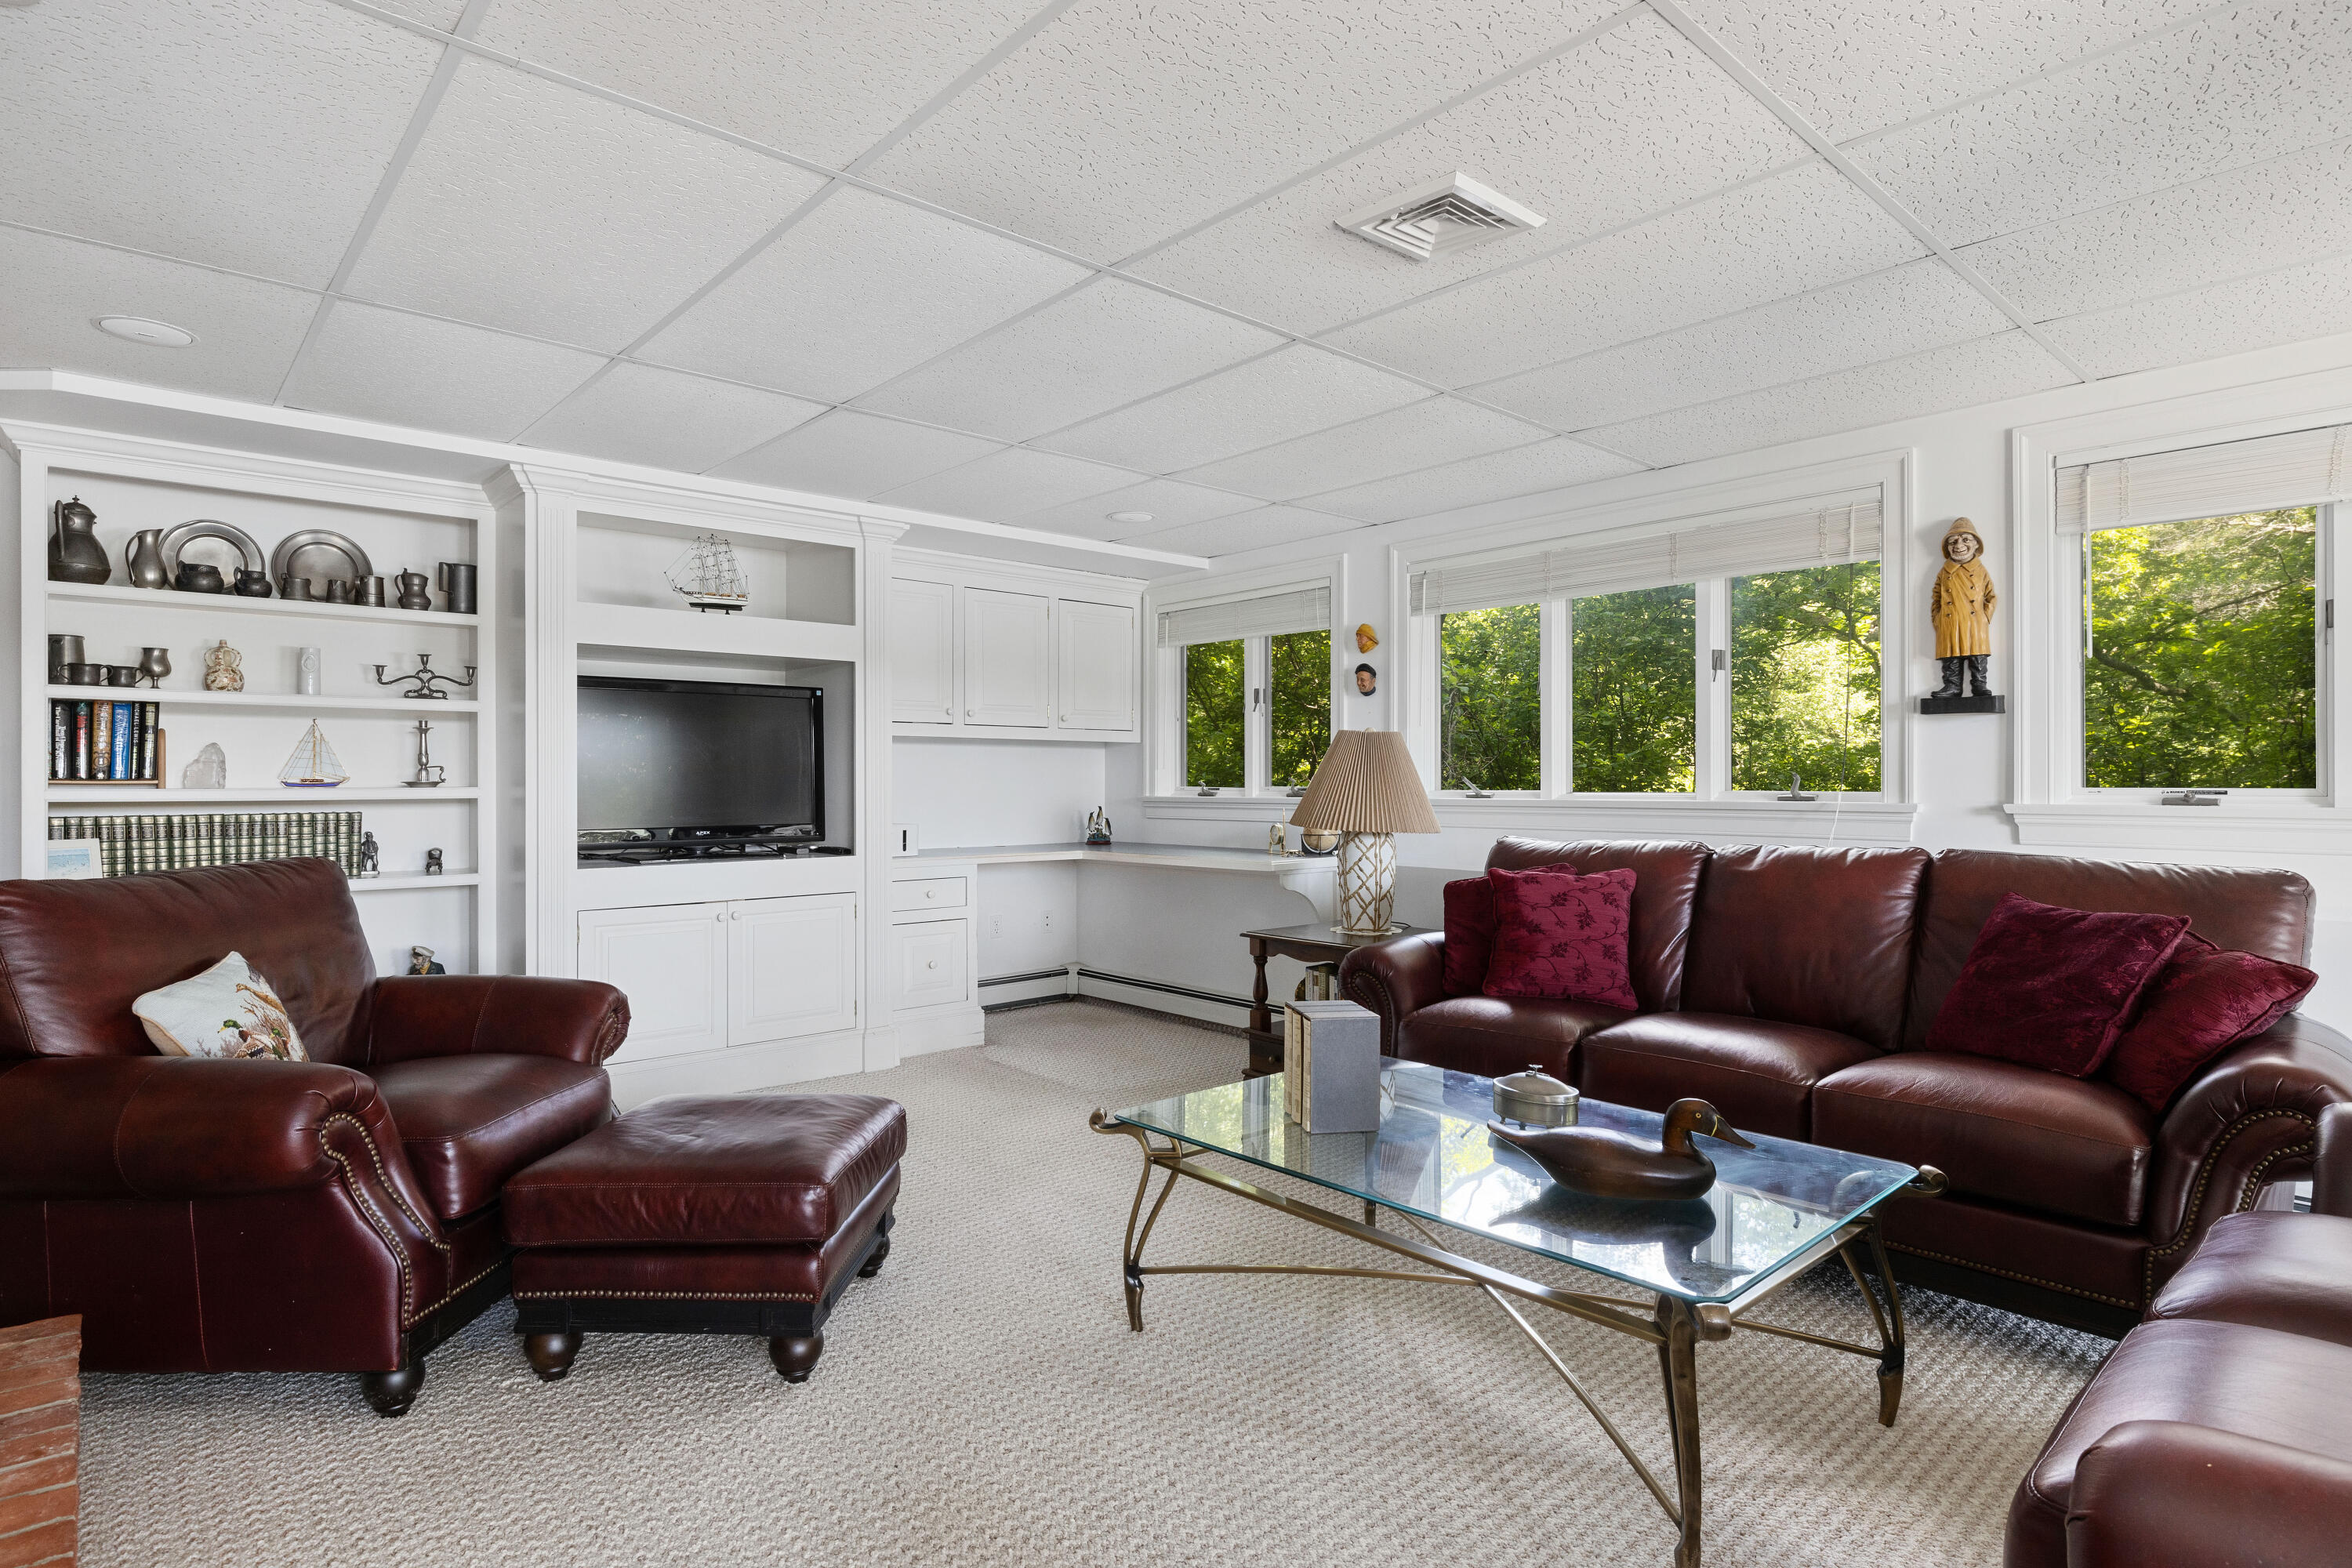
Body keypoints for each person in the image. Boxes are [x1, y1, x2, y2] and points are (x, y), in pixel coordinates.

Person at [1929, 517, 1995, 698]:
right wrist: (1938, 618)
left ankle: (1979, 684)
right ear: (1947, 547)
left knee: (1977, 653)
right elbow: (1936, 597)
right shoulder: (1945, 571)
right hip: (1950, 621)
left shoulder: (1980, 570)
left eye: (1966, 539)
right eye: (1953, 541)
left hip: (1975, 621)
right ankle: (1952, 686)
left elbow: (1991, 596)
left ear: (1976, 544)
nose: (1959, 545)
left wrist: (1984, 617)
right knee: (1950, 654)